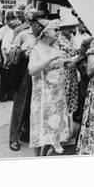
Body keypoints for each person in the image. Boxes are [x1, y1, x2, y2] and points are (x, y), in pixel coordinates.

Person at [28, 20, 73, 156]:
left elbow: (56, 66)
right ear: (46, 32)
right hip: (43, 98)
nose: (58, 32)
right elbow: (32, 69)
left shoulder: (55, 47)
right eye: (55, 30)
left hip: (57, 96)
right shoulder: (36, 49)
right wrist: (51, 58)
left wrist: (67, 60)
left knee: (53, 126)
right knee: (40, 128)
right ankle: (37, 158)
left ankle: (46, 152)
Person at [7, 9, 44, 151]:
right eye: (39, 23)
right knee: (20, 106)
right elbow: (11, 52)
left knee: (34, 105)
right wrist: (23, 52)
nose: (41, 26)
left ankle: (26, 133)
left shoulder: (45, 35)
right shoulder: (23, 34)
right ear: (33, 22)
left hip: (40, 74)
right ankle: (13, 138)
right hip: (24, 73)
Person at [56, 13, 83, 117]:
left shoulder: (71, 38)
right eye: (69, 27)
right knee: (63, 96)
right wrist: (71, 59)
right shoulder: (58, 38)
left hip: (72, 72)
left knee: (71, 98)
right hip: (63, 71)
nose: (71, 30)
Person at [0, 13, 17, 102]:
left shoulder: (17, 31)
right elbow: (3, 46)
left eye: (12, 19)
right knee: (4, 77)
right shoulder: (5, 31)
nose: (11, 21)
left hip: (15, 55)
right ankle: (2, 95)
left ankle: (10, 95)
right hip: (7, 54)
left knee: (12, 77)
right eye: (9, 19)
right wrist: (4, 58)